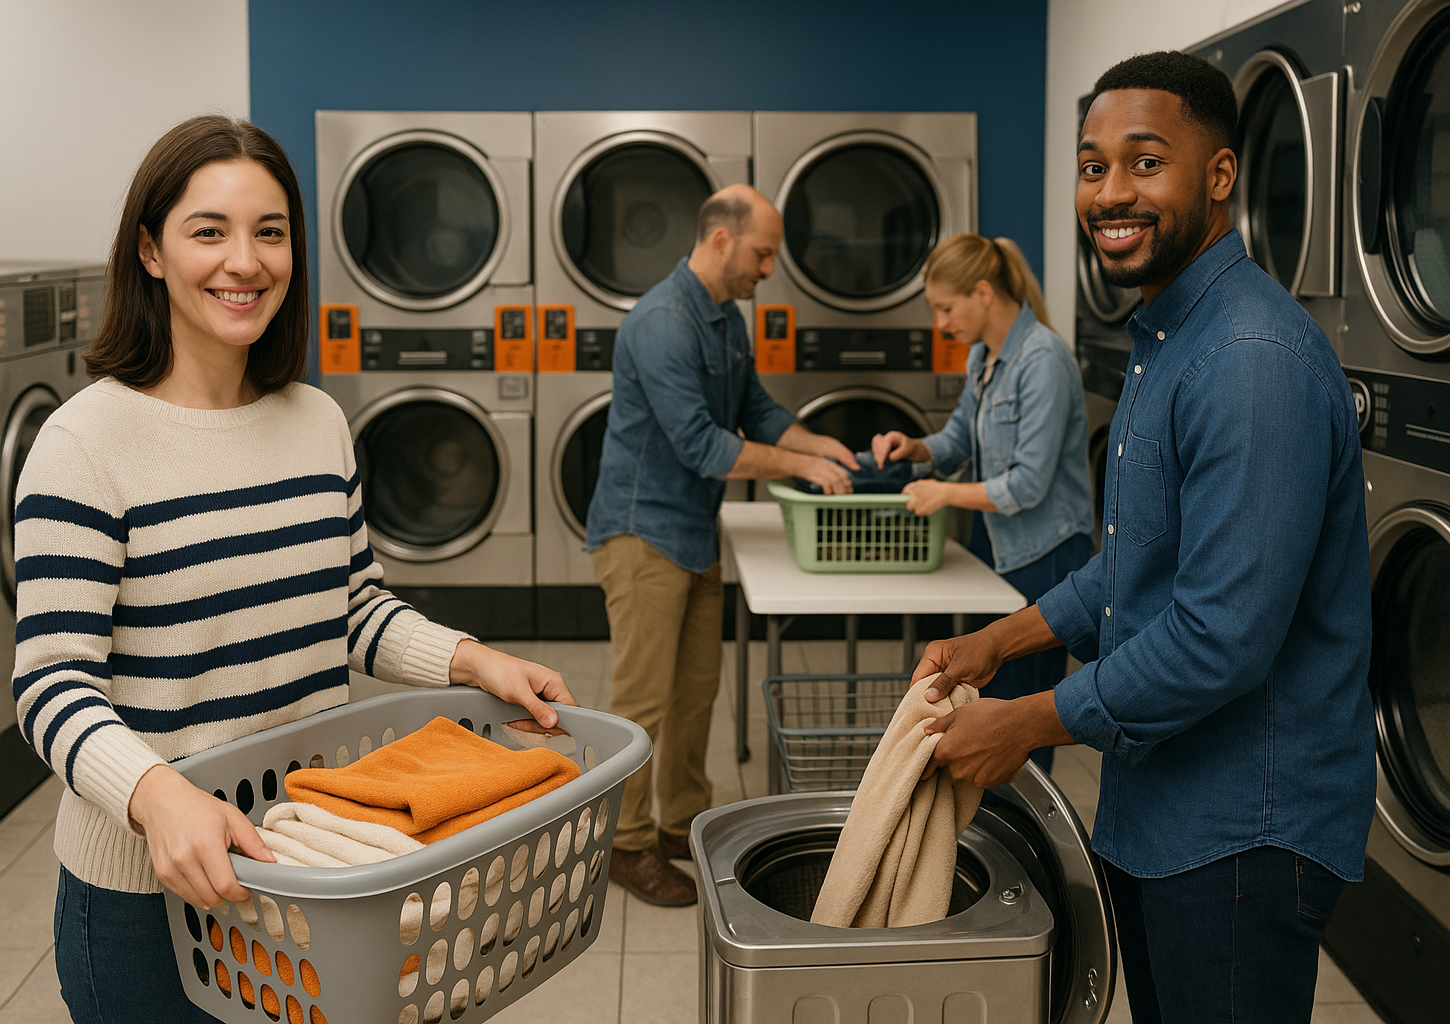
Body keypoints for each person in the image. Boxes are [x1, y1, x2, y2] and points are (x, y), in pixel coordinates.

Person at [10, 116, 577, 1024]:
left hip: (305, 863)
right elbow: (49, 683)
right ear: (150, 251)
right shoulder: (84, 443)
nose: (246, 261)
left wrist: (475, 661)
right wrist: (157, 797)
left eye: (269, 232)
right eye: (210, 231)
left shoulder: (315, 421)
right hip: (147, 897)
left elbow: (351, 608)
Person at [912, 52, 1375, 1022]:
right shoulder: (1169, 340)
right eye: (1092, 165)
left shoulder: (1249, 362)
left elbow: (1220, 634)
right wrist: (1000, 641)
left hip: (1242, 830)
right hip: (1162, 805)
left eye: (1145, 162)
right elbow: (1130, 571)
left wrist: (1024, 722)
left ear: (1218, 176)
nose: (1111, 192)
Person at [584, 184, 857, 906]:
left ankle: (680, 826)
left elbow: (755, 410)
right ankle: (627, 844)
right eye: (763, 253)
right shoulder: (662, 322)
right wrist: (802, 467)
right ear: (720, 240)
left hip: (694, 533)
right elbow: (704, 446)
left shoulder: (726, 320)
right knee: (643, 702)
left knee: (697, 691)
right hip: (643, 533)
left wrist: (813, 440)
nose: (769, 269)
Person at [870, 234, 1093, 772]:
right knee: (982, 698)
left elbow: (1026, 485)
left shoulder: (1043, 360)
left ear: (983, 293)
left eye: (946, 308)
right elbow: (956, 443)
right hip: (995, 546)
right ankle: (991, 825)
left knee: (1019, 716)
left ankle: (1029, 837)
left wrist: (943, 492)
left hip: (1047, 556)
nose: (941, 322)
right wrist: (917, 448)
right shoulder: (984, 358)